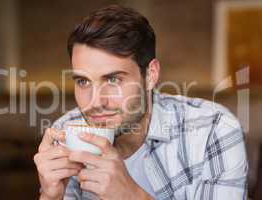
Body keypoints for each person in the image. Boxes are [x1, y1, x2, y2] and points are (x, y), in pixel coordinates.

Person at [33, 4, 248, 200]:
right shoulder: (65, 132)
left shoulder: (215, 128)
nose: (95, 102)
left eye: (113, 79)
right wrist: (50, 196)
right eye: (83, 81)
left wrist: (132, 196)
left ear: (151, 75)